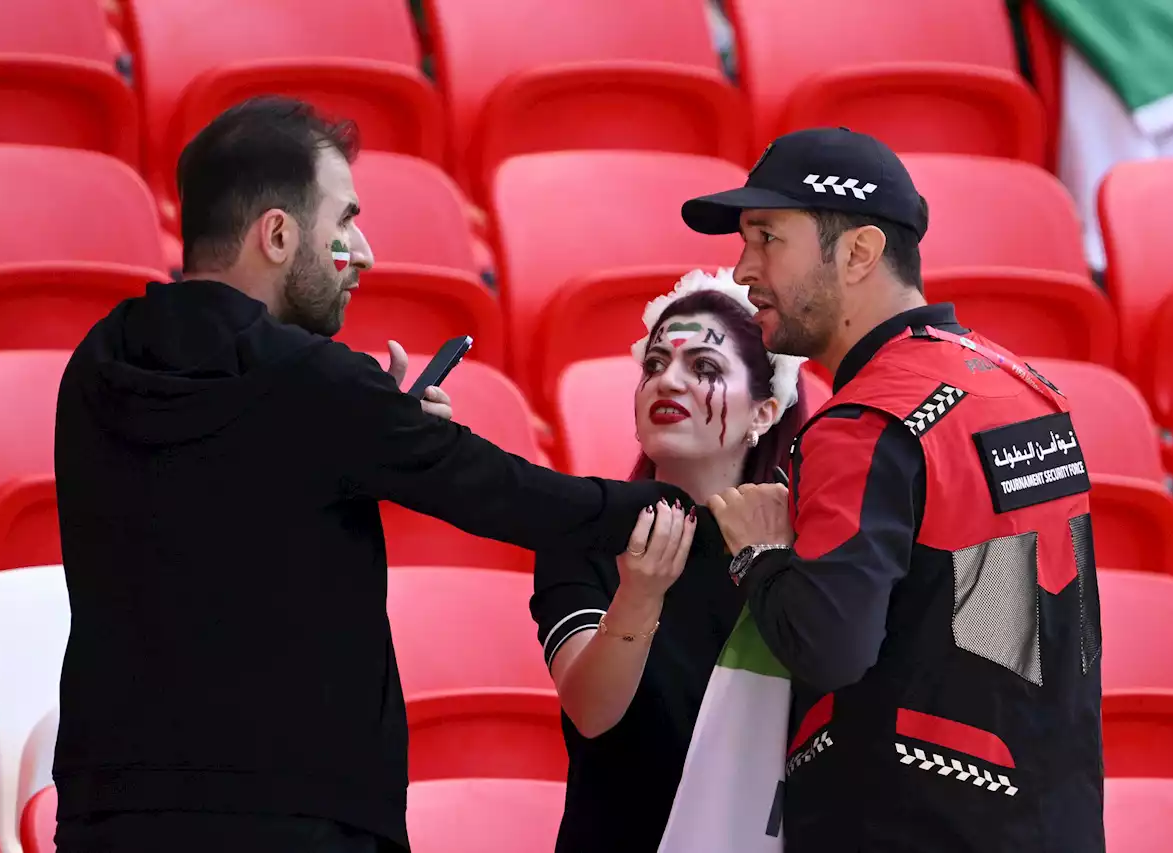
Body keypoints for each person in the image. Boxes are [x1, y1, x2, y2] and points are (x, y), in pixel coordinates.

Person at [50, 96, 706, 853]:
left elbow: (236, 476)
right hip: (297, 819)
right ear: (277, 233)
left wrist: (370, 430)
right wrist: (682, 505)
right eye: (344, 222)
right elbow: (509, 494)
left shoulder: (95, 366)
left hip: (108, 813)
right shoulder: (320, 385)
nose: (361, 251)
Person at [683, 128, 1106, 851]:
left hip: (905, 824)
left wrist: (759, 552)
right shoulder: (1023, 386)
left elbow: (829, 646)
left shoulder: (863, 420)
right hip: (1050, 817)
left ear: (858, 253)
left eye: (766, 237)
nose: (742, 267)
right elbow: (1001, 622)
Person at [529, 268, 808, 853]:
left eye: (703, 369)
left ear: (764, 412)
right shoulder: (584, 530)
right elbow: (592, 712)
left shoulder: (808, 543)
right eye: (654, 366)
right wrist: (639, 595)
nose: (667, 383)